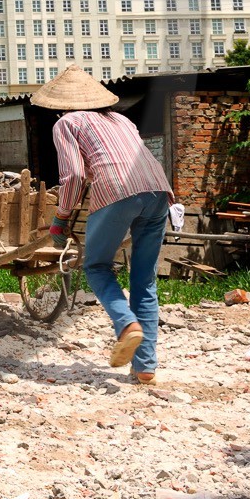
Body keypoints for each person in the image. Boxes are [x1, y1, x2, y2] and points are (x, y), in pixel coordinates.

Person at [37, 66, 174, 384]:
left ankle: (126, 325)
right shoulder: (122, 120)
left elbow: (73, 176)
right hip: (158, 190)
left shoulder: (67, 123)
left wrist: (60, 219)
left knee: (97, 267)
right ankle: (145, 368)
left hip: (118, 191)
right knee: (145, 280)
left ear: (62, 104)